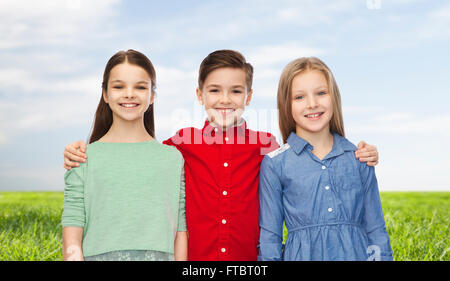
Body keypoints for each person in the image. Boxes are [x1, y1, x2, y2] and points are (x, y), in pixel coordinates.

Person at [62, 50, 379, 261]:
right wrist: (80, 151)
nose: (225, 99)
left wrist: (361, 152)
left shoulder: (267, 145)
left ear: (249, 96)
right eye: (214, 90)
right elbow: (137, 154)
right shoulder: (180, 145)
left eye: (236, 91)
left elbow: (310, 156)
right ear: (199, 95)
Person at [258, 57, 393, 261]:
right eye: (299, 97)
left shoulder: (359, 157)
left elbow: (376, 229)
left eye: (321, 93)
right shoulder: (275, 164)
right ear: (286, 104)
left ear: (334, 98)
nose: (312, 104)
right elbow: (270, 238)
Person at [61, 49, 187, 261]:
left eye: (140, 87)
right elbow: (72, 235)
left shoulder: (172, 158)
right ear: (105, 94)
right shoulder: (83, 157)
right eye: (119, 86)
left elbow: (180, 230)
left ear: (152, 96)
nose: (129, 94)